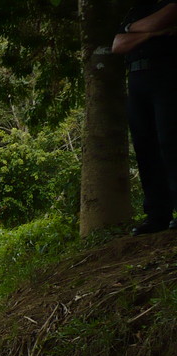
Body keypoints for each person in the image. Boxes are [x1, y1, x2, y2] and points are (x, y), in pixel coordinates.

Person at [113, 3, 177, 235]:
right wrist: (151, 33)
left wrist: (134, 30)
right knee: (145, 147)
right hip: (137, 80)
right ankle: (157, 215)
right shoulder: (134, 9)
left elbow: (164, 18)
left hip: (167, 75)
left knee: (170, 142)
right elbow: (117, 45)